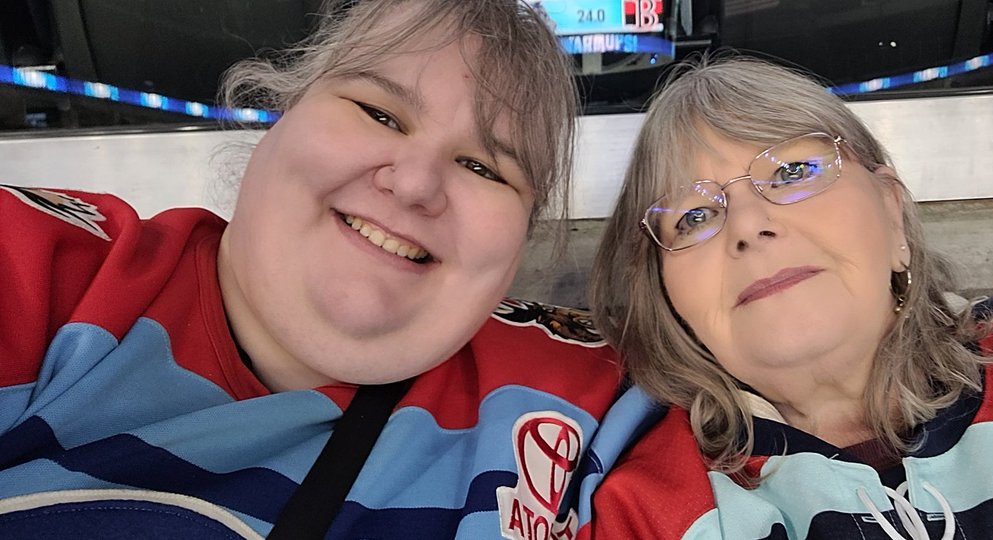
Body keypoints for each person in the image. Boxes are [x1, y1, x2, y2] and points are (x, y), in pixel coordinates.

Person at [0, 1, 623, 538]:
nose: (413, 184)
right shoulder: (50, 271)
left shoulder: (585, 406)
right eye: (379, 113)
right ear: (279, 112)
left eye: (484, 168)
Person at [579, 56, 993, 539]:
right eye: (693, 216)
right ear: (666, 300)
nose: (746, 225)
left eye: (793, 172)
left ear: (891, 213)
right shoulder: (649, 514)